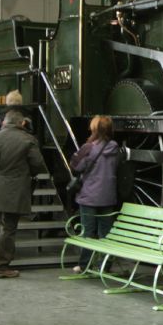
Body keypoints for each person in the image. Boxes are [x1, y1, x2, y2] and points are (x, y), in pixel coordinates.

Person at [0, 109, 44, 278]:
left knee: (3, 226)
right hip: (13, 191)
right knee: (8, 228)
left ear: (3, 123)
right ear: (23, 123)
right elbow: (38, 165)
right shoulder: (28, 140)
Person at [68, 115, 121, 273]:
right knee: (106, 232)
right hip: (108, 196)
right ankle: (105, 265)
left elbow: (76, 166)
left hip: (89, 197)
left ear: (94, 129)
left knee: (88, 232)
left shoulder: (88, 147)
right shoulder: (114, 147)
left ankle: (85, 265)